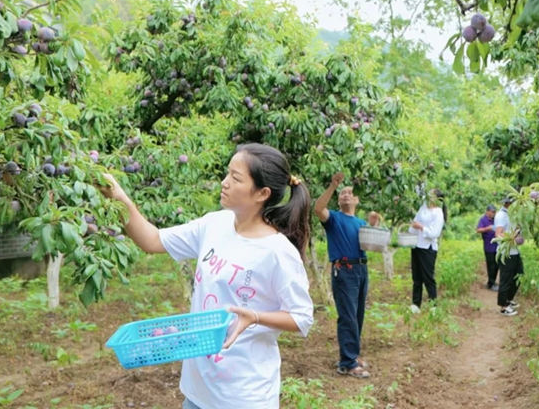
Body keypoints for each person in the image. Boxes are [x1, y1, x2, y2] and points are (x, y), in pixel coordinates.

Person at [100, 143, 314, 409]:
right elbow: (152, 240)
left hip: (242, 395)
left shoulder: (277, 251)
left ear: (262, 193)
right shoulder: (215, 224)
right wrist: (118, 197)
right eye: (227, 174)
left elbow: (302, 317)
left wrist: (255, 317)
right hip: (198, 389)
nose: (224, 183)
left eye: (236, 178)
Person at [314, 172, 371, 379]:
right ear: (339, 199)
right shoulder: (333, 219)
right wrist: (332, 186)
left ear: (356, 200)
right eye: (343, 193)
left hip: (361, 270)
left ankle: (352, 355)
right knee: (347, 316)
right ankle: (347, 363)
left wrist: (374, 224)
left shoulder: (360, 222)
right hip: (344, 270)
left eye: (350, 193)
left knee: (357, 315)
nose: (346, 195)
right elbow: (318, 209)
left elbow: (371, 244)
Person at [408, 188, 446, 313]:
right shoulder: (423, 207)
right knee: (416, 276)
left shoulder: (438, 212)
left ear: (437, 198)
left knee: (428, 277)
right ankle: (416, 304)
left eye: (431, 194)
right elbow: (414, 222)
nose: (428, 196)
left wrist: (421, 227)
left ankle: (433, 305)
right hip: (416, 245)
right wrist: (413, 228)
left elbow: (434, 233)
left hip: (428, 248)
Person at [494, 196, 523, 317]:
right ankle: (503, 307)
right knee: (505, 280)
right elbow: (499, 234)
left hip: (514, 251)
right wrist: (512, 237)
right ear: (508, 204)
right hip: (506, 253)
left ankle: (508, 299)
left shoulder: (512, 215)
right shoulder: (501, 215)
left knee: (518, 275)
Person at [476, 204, 499, 291]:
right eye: (492, 212)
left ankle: (492, 282)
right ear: (487, 211)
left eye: (494, 212)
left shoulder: (495, 220)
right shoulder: (483, 220)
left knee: (496, 265)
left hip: (496, 246)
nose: (493, 214)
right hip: (488, 246)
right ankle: (491, 283)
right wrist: (487, 228)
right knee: (491, 265)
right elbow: (478, 230)